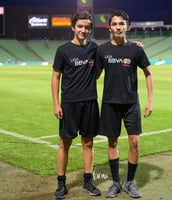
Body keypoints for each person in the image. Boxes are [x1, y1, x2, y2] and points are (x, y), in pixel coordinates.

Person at [96, 10, 153, 198]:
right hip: (110, 104)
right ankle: (115, 183)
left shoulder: (136, 49)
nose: (118, 27)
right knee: (112, 142)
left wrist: (149, 101)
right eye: (115, 24)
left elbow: (148, 74)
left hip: (131, 104)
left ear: (127, 26)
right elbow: (94, 75)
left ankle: (130, 182)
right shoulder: (102, 50)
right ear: (109, 27)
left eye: (121, 24)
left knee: (134, 142)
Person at [51, 10, 101, 199]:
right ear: (73, 27)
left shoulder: (94, 49)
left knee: (88, 142)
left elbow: (98, 71)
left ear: (90, 30)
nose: (83, 30)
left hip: (90, 102)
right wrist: (56, 104)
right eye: (80, 26)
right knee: (65, 143)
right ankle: (61, 184)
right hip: (69, 103)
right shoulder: (63, 50)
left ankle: (88, 182)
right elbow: (55, 77)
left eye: (87, 27)